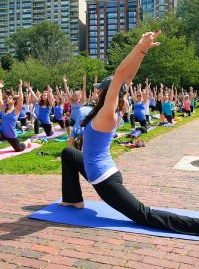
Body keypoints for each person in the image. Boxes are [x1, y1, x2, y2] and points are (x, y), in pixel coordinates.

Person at [60, 31, 199, 236]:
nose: (96, 91)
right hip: (97, 167)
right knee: (68, 153)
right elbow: (127, 79)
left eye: (100, 89)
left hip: (104, 180)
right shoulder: (106, 110)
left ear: (107, 93)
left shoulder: (108, 113)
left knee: (145, 215)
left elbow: (120, 76)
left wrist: (139, 46)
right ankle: (73, 199)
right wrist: (142, 51)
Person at [0, 80, 31, 151]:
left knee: (19, 149)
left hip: (11, 135)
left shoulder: (16, 110)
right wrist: (0, 88)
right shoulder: (4, 108)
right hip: (2, 132)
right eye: (7, 97)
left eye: (10, 98)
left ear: (14, 101)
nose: (7, 98)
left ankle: (27, 142)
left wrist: (20, 87)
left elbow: (21, 100)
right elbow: (0, 100)